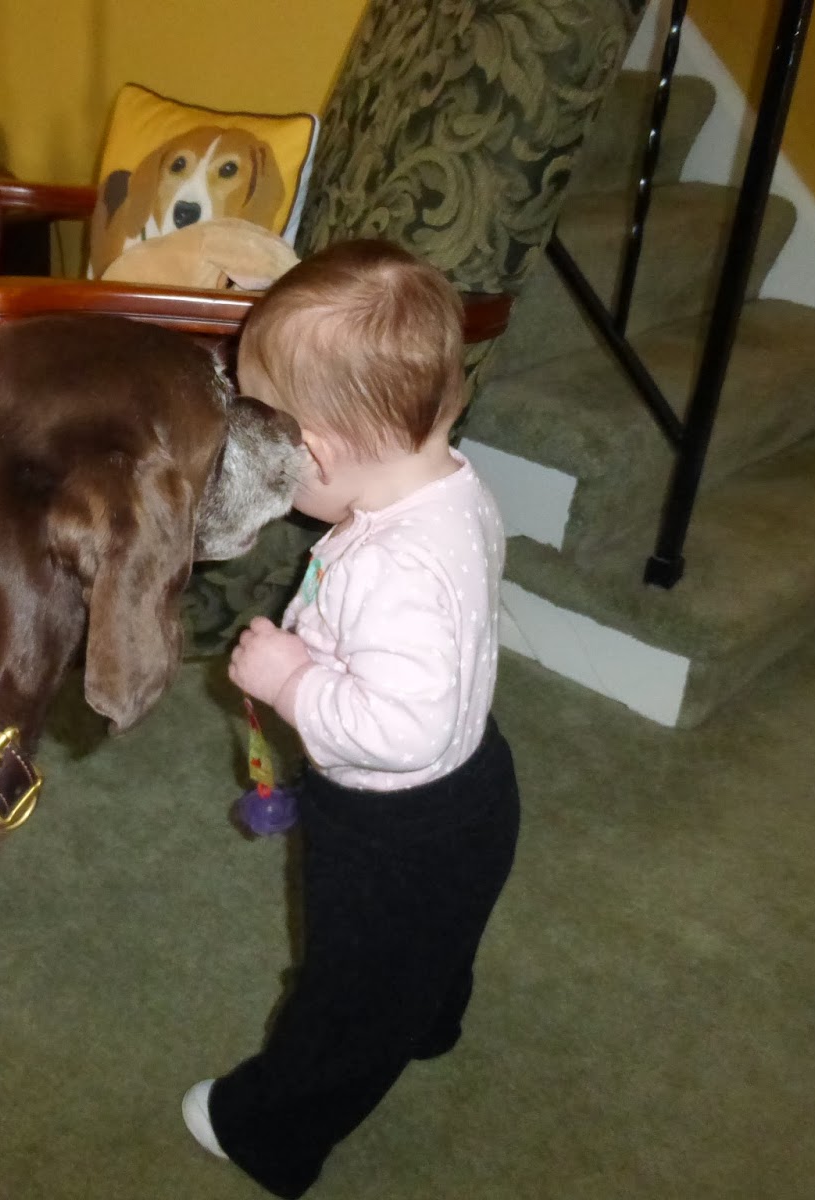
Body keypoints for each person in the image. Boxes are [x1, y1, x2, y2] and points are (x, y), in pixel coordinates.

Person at [182, 240, 522, 1198]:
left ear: (319, 455)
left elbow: (404, 727)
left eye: (270, 443)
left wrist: (293, 681)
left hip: (392, 827)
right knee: (432, 944)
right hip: (475, 789)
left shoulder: (390, 565)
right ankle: (429, 1017)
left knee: (348, 992)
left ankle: (268, 1132)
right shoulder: (452, 486)